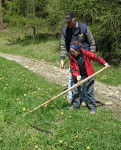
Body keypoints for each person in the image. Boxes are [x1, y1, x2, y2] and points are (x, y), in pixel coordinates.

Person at [60, 12, 96, 106]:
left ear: (74, 20)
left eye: (69, 22)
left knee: (84, 78)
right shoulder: (65, 31)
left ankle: (84, 98)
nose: (67, 24)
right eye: (66, 22)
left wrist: (92, 54)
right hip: (73, 58)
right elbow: (63, 46)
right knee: (72, 77)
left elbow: (91, 41)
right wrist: (62, 59)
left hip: (84, 57)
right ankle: (70, 97)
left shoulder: (83, 28)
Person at [69, 41, 109, 114]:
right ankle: (75, 105)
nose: (72, 53)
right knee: (75, 90)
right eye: (71, 52)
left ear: (78, 50)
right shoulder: (72, 57)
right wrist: (76, 75)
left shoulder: (86, 53)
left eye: (74, 52)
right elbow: (72, 69)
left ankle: (92, 107)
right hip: (78, 76)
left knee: (90, 92)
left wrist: (104, 63)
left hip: (88, 75)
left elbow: (96, 57)